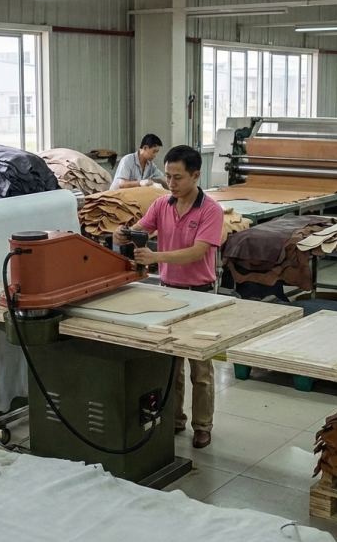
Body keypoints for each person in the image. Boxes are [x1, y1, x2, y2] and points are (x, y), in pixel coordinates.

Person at [113, 145, 223, 449]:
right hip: (168, 292)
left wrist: (154, 255)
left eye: (178, 178)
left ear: (196, 175)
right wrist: (124, 233)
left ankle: (203, 425)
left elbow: (197, 251)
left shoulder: (210, 210)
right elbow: (141, 228)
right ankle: (174, 420)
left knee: (200, 367)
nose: (171, 183)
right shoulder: (162, 205)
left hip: (201, 295)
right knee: (170, 365)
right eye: (169, 177)